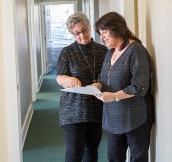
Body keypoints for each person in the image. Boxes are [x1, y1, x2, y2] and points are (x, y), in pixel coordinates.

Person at [92, 12, 154, 162]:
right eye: (100, 33)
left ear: (117, 28)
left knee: (137, 158)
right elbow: (103, 78)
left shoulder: (136, 50)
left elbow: (140, 86)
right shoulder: (111, 52)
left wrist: (113, 96)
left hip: (136, 116)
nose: (102, 37)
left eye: (105, 32)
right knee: (113, 156)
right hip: (114, 117)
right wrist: (97, 85)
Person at [56, 12, 108, 162]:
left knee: (91, 151)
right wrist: (68, 79)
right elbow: (59, 77)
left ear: (89, 27)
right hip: (72, 110)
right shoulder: (67, 52)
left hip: (95, 108)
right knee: (74, 153)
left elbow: (107, 75)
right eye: (76, 33)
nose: (82, 35)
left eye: (84, 30)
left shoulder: (102, 51)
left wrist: (99, 83)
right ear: (72, 34)